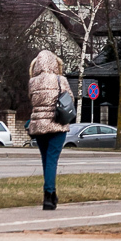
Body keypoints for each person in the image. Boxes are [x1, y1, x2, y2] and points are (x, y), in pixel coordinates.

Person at [28, 50, 72, 210]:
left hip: (39, 126)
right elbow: (70, 99)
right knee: (52, 160)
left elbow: (31, 100)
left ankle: (51, 195)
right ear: (55, 63)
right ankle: (49, 194)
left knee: (46, 160)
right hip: (57, 124)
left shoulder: (32, 82)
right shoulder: (61, 80)